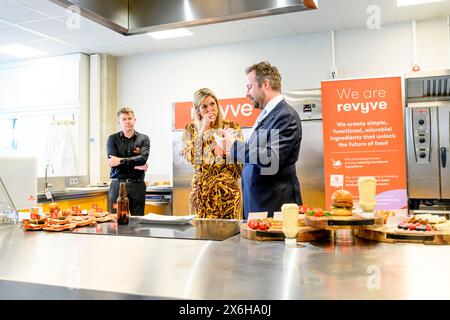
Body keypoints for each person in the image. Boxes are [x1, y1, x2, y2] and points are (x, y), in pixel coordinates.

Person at [221, 61, 303, 219]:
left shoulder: (285, 115)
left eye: (249, 87)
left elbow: (271, 159)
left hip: (274, 208)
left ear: (265, 84)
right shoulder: (267, 114)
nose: (246, 93)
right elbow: (259, 153)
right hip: (258, 206)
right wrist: (235, 143)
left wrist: (235, 146)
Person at [181, 88, 244, 219]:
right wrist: (203, 129)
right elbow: (191, 158)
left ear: (217, 104)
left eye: (212, 104)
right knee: (201, 235)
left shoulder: (232, 127)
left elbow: (240, 166)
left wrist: (227, 152)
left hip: (228, 194)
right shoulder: (191, 129)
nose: (210, 109)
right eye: (204, 106)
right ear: (198, 110)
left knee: (229, 237)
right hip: (201, 195)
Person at [107, 107, 150, 216]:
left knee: (139, 222)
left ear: (134, 120)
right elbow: (112, 161)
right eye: (124, 119)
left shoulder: (143, 139)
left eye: (130, 118)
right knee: (115, 220)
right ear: (119, 122)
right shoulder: (112, 139)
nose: (127, 121)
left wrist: (120, 161)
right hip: (117, 185)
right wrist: (136, 164)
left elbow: (143, 159)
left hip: (137, 185)